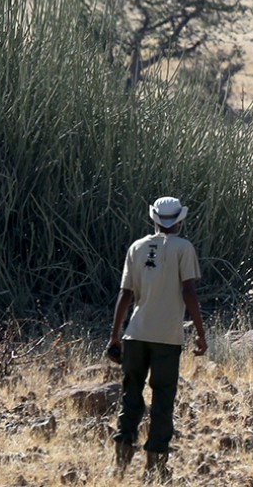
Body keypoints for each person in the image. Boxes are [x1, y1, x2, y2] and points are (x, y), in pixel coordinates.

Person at [107, 196, 208, 480]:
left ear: (153, 218)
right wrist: (200, 333)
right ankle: (155, 468)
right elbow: (189, 292)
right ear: (179, 220)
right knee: (163, 400)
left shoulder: (136, 247)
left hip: (135, 334)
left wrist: (115, 336)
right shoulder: (183, 248)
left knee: (131, 396)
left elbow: (125, 294)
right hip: (167, 338)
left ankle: (121, 463)